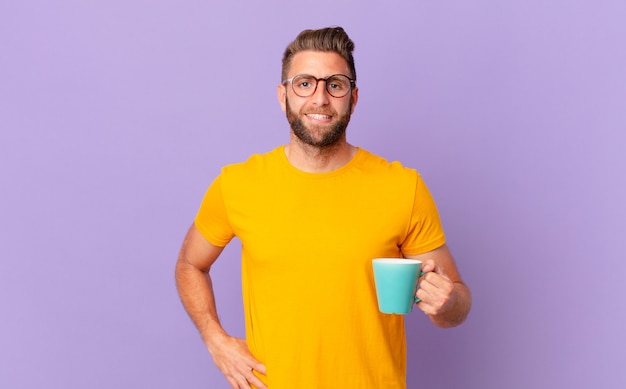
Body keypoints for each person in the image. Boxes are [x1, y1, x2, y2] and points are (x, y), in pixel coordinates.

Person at [175, 26, 471, 389]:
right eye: (304, 83)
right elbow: (190, 263)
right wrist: (214, 339)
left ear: (354, 97)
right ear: (283, 95)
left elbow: (455, 305)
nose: (320, 98)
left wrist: (448, 301)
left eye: (335, 84)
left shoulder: (402, 187)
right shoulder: (238, 184)